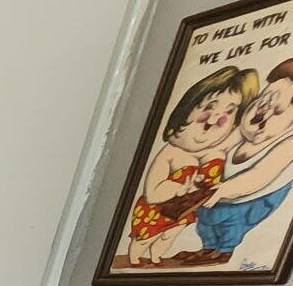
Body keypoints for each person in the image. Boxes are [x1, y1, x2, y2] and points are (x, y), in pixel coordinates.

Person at [125, 64, 255, 266]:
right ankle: (135, 259)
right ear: (188, 108)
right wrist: (178, 188)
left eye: (228, 113)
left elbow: (250, 123)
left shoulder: (218, 148)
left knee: (168, 237)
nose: (213, 119)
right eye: (209, 107)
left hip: (185, 212)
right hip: (156, 211)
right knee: (146, 238)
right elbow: (152, 194)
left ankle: (156, 258)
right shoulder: (170, 152)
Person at [184, 58, 293, 266]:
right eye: (262, 101)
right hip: (223, 190)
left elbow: (260, 175)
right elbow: (219, 148)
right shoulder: (246, 131)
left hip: (256, 196)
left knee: (231, 218)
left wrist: (226, 188)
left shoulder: (288, 143)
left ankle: (224, 250)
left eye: (277, 110)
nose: (262, 112)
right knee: (205, 214)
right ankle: (207, 248)